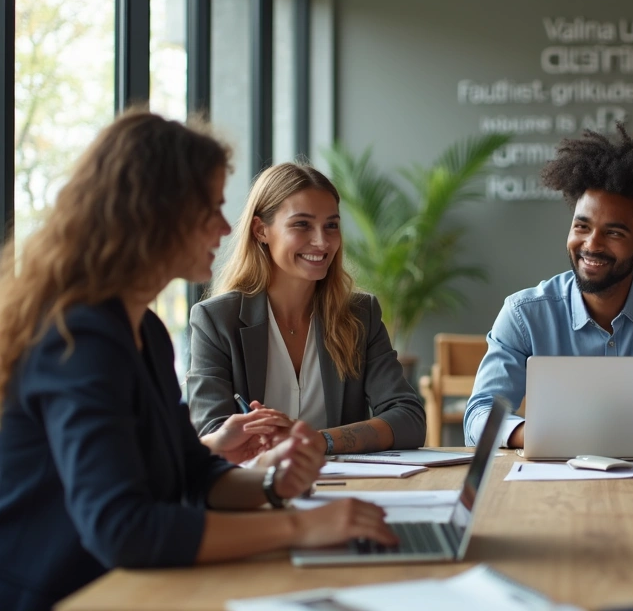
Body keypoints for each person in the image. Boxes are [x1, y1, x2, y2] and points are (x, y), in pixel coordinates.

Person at [0, 112, 397, 611]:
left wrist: (272, 481)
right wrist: (300, 525)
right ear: (153, 214)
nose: (223, 225)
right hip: (67, 594)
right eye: (208, 209)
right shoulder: (77, 339)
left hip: (132, 585)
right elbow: (123, 528)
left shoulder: (142, 329)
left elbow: (193, 476)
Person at [463, 124, 633, 448]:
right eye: (582, 226)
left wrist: (617, 438)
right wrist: (552, 437)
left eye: (614, 233)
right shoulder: (523, 314)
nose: (592, 244)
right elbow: (480, 416)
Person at [187, 162, 426, 457]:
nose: (322, 241)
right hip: (254, 491)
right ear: (261, 230)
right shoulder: (216, 320)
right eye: (302, 224)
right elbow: (211, 433)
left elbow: (409, 418)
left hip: (350, 487)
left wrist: (317, 440)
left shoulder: (360, 314)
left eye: (331, 225)